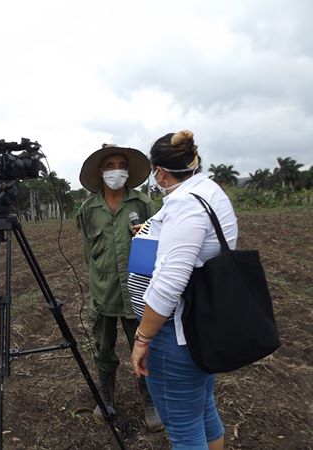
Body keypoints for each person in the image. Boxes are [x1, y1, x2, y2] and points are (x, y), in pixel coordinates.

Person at [130, 130, 238, 449]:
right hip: (199, 326)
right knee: (203, 409)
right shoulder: (208, 190)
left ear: (160, 172)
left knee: (182, 427)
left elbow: (170, 282)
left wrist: (143, 338)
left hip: (174, 334)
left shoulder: (185, 204)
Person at [76, 144, 162, 431]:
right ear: (101, 172)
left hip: (137, 295)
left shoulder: (142, 204)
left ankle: (150, 403)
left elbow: (156, 248)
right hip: (104, 294)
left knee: (144, 348)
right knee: (103, 349)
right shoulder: (88, 209)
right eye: (110, 165)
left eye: (121, 164)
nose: (117, 170)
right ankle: (106, 398)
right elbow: (90, 253)